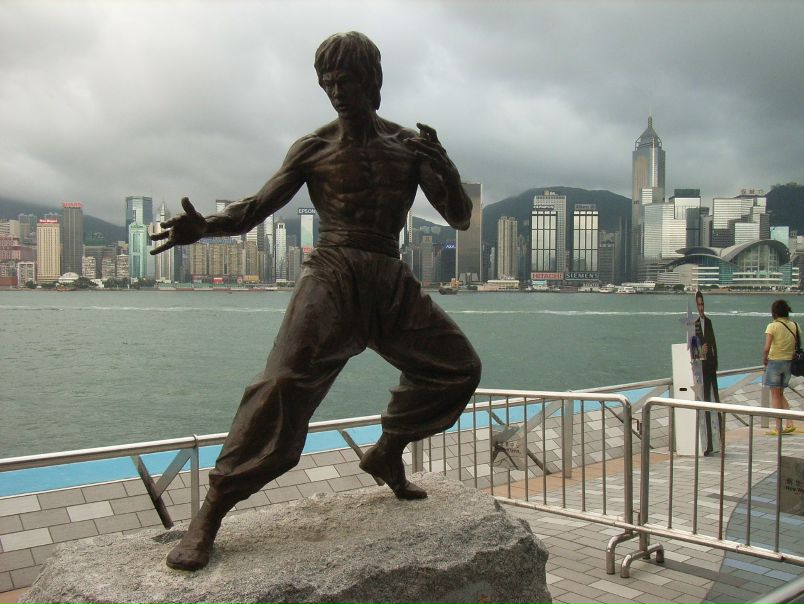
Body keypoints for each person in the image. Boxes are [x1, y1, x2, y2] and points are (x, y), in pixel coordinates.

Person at [149, 32, 482, 571]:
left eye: (345, 80)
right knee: (280, 386)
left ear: (373, 80)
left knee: (457, 369)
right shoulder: (313, 148)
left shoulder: (409, 147)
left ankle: (387, 451)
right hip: (332, 273)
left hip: (388, 276)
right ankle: (210, 514)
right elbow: (254, 209)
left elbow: (461, 218)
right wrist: (204, 226)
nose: (336, 91)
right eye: (327, 82)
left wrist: (443, 164)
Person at [762, 299, 799, 435]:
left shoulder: (772, 326)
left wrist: (765, 359)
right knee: (780, 394)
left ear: (774, 313)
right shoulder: (795, 325)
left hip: (775, 362)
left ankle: (778, 427)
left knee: (775, 395)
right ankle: (790, 422)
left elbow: (766, 347)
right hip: (789, 363)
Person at [694, 291, 721, 455]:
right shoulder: (693, 324)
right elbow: (690, 347)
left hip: (711, 367)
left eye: (702, 304)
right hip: (701, 369)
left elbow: (714, 344)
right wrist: (699, 351)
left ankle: (718, 441)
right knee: (705, 403)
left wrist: (715, 361)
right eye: (699, 304)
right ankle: (708, 443)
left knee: (715, 401)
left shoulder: (709, 322)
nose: (701, 307)